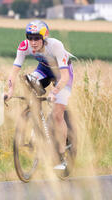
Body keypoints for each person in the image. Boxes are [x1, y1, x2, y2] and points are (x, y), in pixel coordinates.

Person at [4, 20, 74, 170]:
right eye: (30, 38)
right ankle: (36, 118)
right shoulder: (24, 46)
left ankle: (61, 156)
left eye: (36, 38)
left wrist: (54, 92)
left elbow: (65, 76)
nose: (33, 42)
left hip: (62, 75)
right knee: (28, 80)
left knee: (57, 115)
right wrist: (10, 90)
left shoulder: (56, 46)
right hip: (44, 70)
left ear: (44, 38)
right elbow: (14, 71)